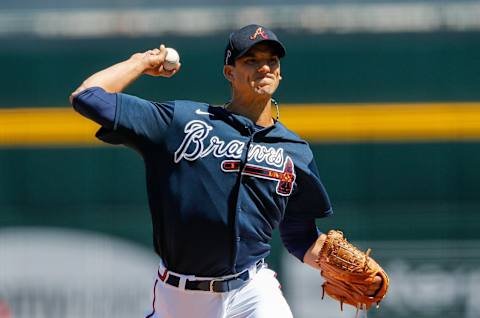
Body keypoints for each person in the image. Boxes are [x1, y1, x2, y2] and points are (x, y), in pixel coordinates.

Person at [70, 24, 381, 318]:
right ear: (229, 73)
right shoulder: (181, 122)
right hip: (182, 298)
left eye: (271, 61)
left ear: (280, 73)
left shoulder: (294, 151)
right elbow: (88, 97)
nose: (264, 67)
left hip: (252, 289)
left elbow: (299, 234)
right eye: (251, 60)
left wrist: (336, 262)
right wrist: (139, 62)